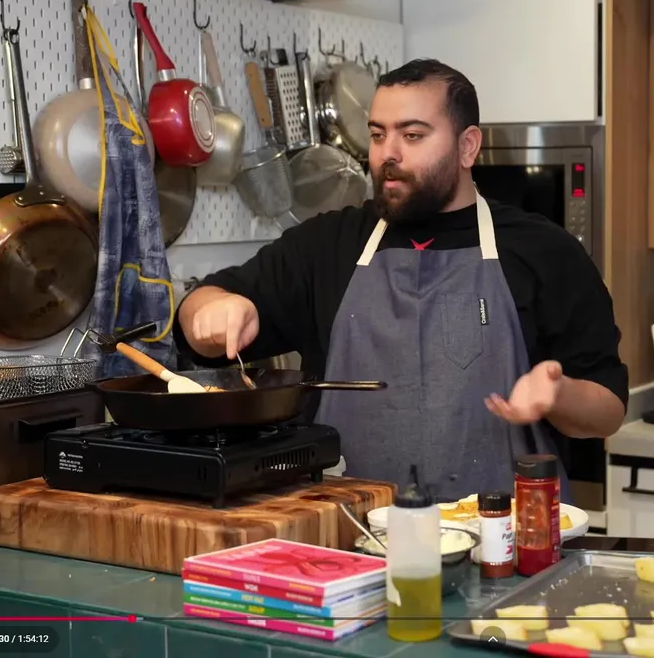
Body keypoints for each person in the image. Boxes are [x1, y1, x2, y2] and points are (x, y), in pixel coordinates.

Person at [174, 58, 628, 502]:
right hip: (350, 533)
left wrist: (559, 394)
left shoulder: (543, 251)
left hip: (501, 535)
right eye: (377, 135)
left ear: (468, 147)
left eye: (412, 135)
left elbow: (608, 410)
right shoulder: (327, 245)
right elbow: (199, 313)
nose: (387, 153)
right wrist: (210, 311)